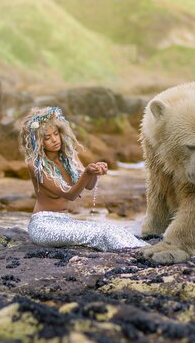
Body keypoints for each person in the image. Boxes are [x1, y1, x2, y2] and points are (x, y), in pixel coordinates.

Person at [19, 106, 148, 251]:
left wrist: (94, 172)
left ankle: (145, 249)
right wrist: (87, 172)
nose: (55, 140)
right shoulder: (36, 165)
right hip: (43, 225)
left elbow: (89, 186)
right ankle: (138, 252)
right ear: (38, 142)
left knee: (111, 228)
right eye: (47, 138)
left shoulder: (69, 156)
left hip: (65, 221)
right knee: (102, 233)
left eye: (56, 134)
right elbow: (70, 194)